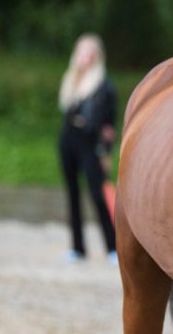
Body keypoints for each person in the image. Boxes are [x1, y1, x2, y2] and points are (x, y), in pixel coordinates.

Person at [58, 33, 117, 263]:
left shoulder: (104, 86)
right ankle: (78, 247)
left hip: (91, 144)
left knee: (97, 195)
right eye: (83, 51)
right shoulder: (71, 81)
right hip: (68, 141)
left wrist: (105, 152)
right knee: (72, 194)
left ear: (97, 55)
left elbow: (108, 126)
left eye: (90, 52)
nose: (86, 57)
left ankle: (112, 247)